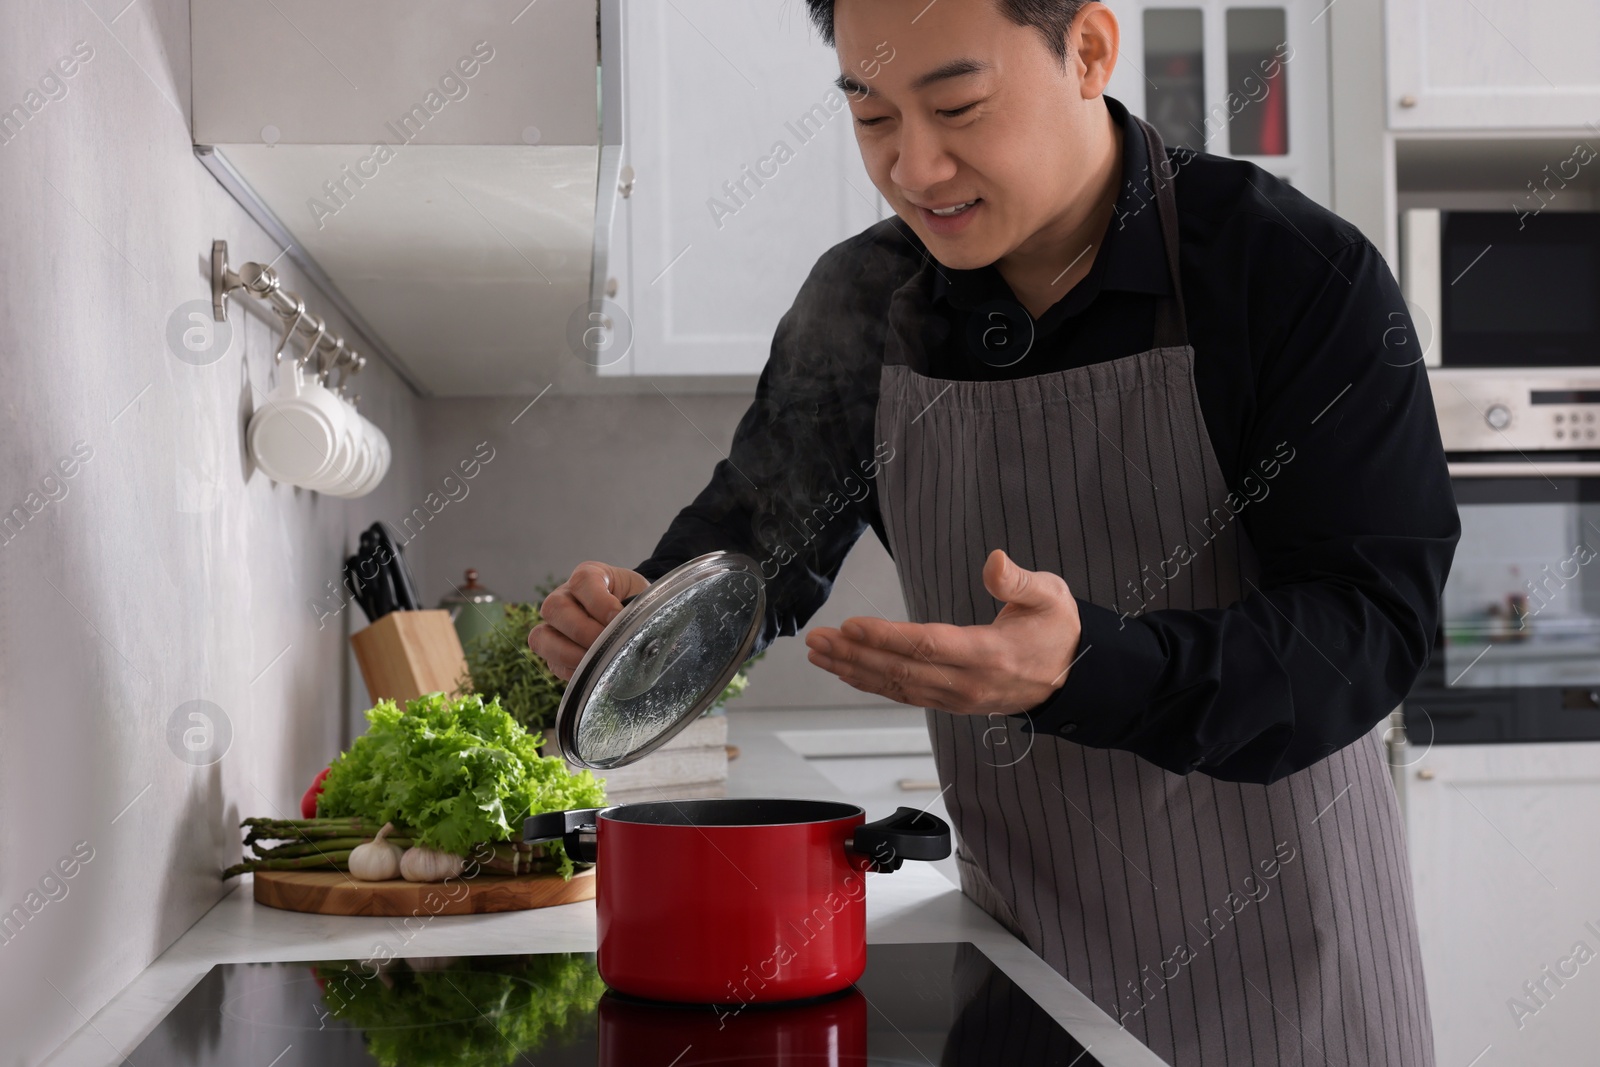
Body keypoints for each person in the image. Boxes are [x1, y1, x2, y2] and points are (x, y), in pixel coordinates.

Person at [529, 2, 1458, 1064]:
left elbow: (1365, 632)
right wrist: (636, 624)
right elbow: (754, 551)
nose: (915, 167)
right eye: (870, 115)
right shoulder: (864, 300)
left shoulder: (1288, 272)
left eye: (958, 105)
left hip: (1288, 972)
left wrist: (1083, 665)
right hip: (1019, 960)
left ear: (1089, 51)